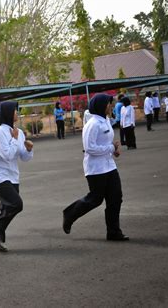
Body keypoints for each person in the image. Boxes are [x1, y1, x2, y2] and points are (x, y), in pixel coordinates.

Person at [62, 93, 129, 241]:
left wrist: (114, 150)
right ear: (101, 106)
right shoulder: (92, 124)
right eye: (108, 104)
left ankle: (113, 232)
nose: (110, 106)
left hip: (109, 166)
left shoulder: (105, 121)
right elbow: (89, 148)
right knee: (95, 199)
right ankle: (70, 214)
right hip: (96, 169)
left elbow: (105, 144)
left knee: (116, 198)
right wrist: (111, 148)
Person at [0, 101, 34, 252]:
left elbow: (24, 158)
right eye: (14, 110)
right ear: (6, 113)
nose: (17, 113)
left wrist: (28, 150)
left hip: (12, 175)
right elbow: (7, 155)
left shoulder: (18, 132)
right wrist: (14, 139)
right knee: (16, 204)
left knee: (7, 207)